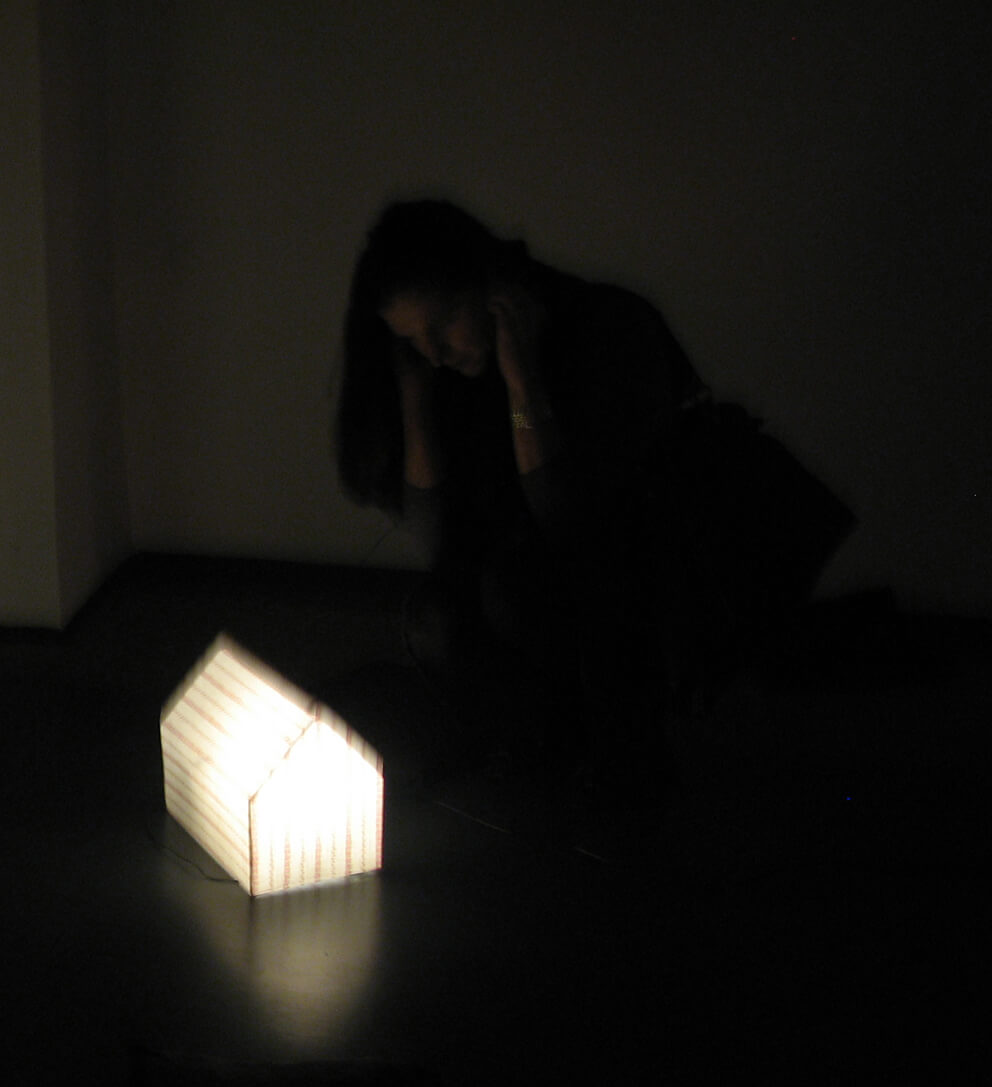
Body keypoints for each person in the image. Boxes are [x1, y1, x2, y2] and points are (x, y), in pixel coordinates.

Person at [335, 199, 850, 804]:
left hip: (647, 565)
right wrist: (414, 399)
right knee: (438, 615)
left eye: (444, 322)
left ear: (490, 288)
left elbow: (570, 522)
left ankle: (615, 762)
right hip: (550, 575)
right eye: (410, 340)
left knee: (514, 592)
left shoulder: (605, 329)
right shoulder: (438, 375)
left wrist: (523, 386)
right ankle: (545, 745)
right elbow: (437, 541)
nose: (434, 352)